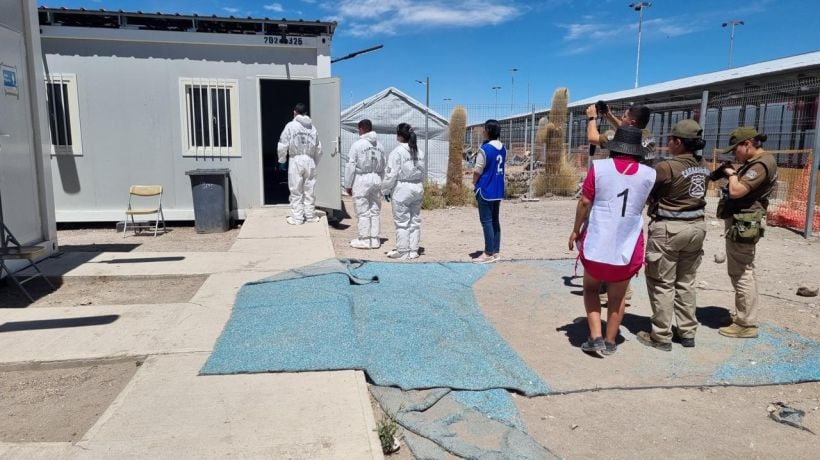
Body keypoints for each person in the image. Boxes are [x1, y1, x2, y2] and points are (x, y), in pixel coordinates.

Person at [568, 125, 656, 356]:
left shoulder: (600, 168)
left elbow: (585, 202)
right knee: (618, 296)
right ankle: (610, 340)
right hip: (627, 244)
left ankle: (595, 336)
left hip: (597, 239)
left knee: (590, 288)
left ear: (614, 148)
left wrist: (576, 230)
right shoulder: (649, 174)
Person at [637, 119, 711, 351]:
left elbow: (648, 191)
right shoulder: (704, 165)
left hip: (669, 228)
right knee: (686, 282)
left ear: (678, 142)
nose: (668, 143)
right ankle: (687, 332)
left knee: (662, 283)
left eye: (671, 139)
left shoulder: (667, 167)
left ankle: (661, 335)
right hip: (696, 227)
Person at [585, 103, 654, 305]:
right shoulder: (646, 135)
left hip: (621, 185)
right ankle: (622, 285)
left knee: (610, 233)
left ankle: (618, 287)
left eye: (623, 116)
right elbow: (624, 128)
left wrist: (592, 118)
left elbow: (593, 138)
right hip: (638, 189)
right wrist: (608, 115)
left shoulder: (621, 138)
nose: (620, 118)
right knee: (626, 234)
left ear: (631, 122)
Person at [713, 127, 778, 339]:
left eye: (736, 149)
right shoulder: (755, 163)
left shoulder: (761, 164)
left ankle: (746, 323)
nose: (734, 154)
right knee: (741, 270)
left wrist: (731, 174)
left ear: (748, 144)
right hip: (742, 220)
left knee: (742, 272)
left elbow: (737, 191)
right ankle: (742, 316)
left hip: (745, 221)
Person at [382, 123, 425, 260]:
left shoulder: (397, 152)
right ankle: (413, 250)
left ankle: (402, 250)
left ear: (399, 135)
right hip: (417, 187)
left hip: (402, 189)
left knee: (402, 221)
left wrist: (386, 189)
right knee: (414, 220)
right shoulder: (419, 151)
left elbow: (391, 174)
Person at [344, 119, 386, 249]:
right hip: (376, 178)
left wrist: (348, 184)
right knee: (374, 210)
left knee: (362, 211)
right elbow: (384, 165)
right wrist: (382, 182)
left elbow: (351, 165)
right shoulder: (380, 145)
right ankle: (375, 239)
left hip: (362, 179)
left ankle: (364, 239)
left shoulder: (358, 145)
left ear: (361, 129)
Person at [278, 103, 322, 225]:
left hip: (296, 160)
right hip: (310, 160)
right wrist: (314, 162)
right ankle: (310, 216)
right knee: (310, 190)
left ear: (294, 112)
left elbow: (282, 145)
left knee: (296, 190)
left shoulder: (291, 126)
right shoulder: (312, 128)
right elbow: (319, 149)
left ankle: (297, 218)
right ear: (306, 113)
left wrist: (282, 160)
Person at [472, 119, 506, 264]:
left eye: (484, 129)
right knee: (495, 221)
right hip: (498, 190)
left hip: (485, 189)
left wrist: (474, 182)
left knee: (486, 221)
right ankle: (496, 251)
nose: (483, 131)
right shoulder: (503, 148)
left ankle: (488, 253)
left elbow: (478, 170)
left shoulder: (485, 149)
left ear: (489, 131)